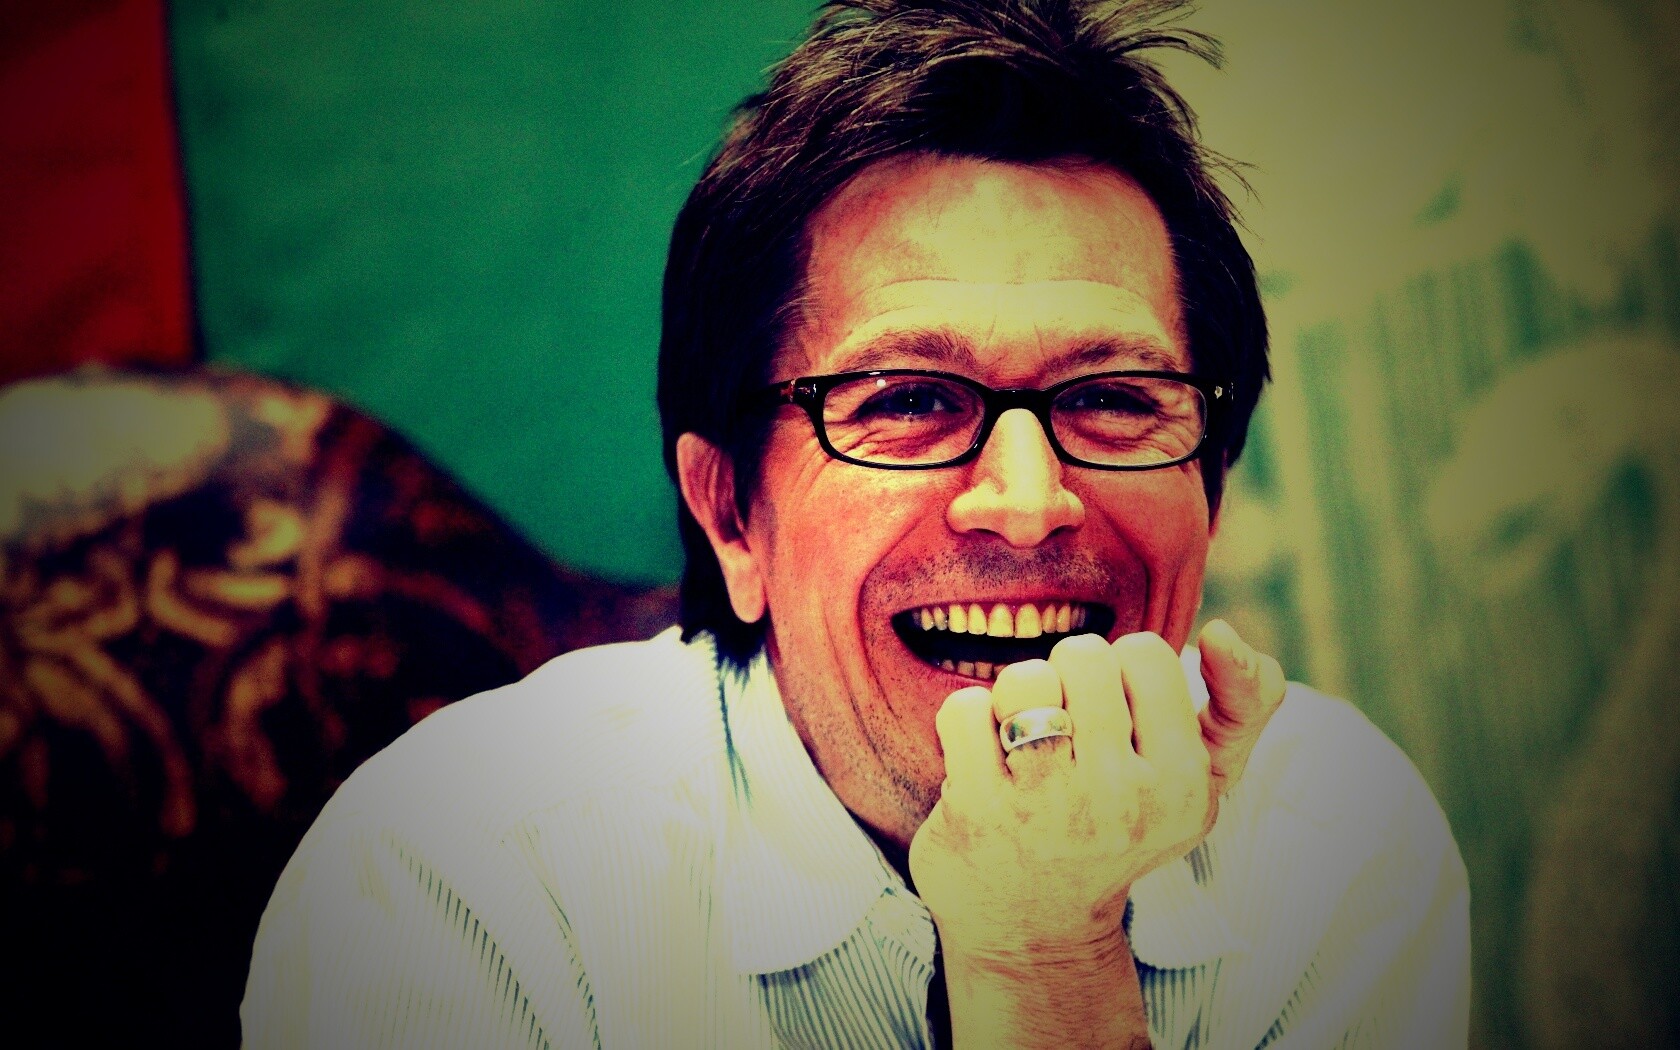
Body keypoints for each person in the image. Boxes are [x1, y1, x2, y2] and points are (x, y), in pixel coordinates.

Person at [242, 1, 1470, 1046]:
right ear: (732, 515)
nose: (1028, 504)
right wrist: (1038, 953)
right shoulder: (451, 880)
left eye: (1112, 399)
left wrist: (1051, 952)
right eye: (909, 402)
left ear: (1213, 484)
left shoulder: (1335, 844)